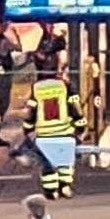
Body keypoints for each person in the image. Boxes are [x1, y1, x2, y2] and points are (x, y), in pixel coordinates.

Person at [19, 69, 85, 200]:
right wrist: (80, 125)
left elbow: (31, 112)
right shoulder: (65, 86)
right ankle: (64, 186)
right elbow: (75, 107)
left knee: (47, 162)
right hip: (64, 131)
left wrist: (27, 129)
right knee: (65, 161)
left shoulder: (36, 88)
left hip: (44, 133)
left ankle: (51, 190)